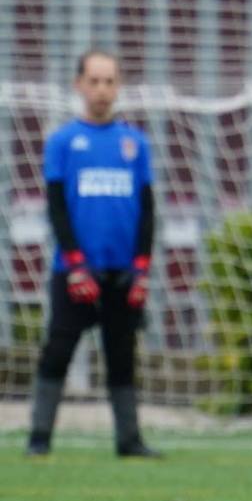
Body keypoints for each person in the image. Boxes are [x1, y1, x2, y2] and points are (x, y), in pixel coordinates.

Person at [26, 50, 160, 458]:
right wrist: (75, 264)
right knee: (59, 350)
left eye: (110, 81)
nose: (102, 90)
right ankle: (39, 439)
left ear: (119, 87)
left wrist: (141, 269)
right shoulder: (63, 141)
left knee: (122, 356)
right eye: (95, 81)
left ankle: (129, 440)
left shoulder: (134, 143)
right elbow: (57, 207)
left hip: (123, 273)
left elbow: (147, 209)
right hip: (74, 273)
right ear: (79, 85)